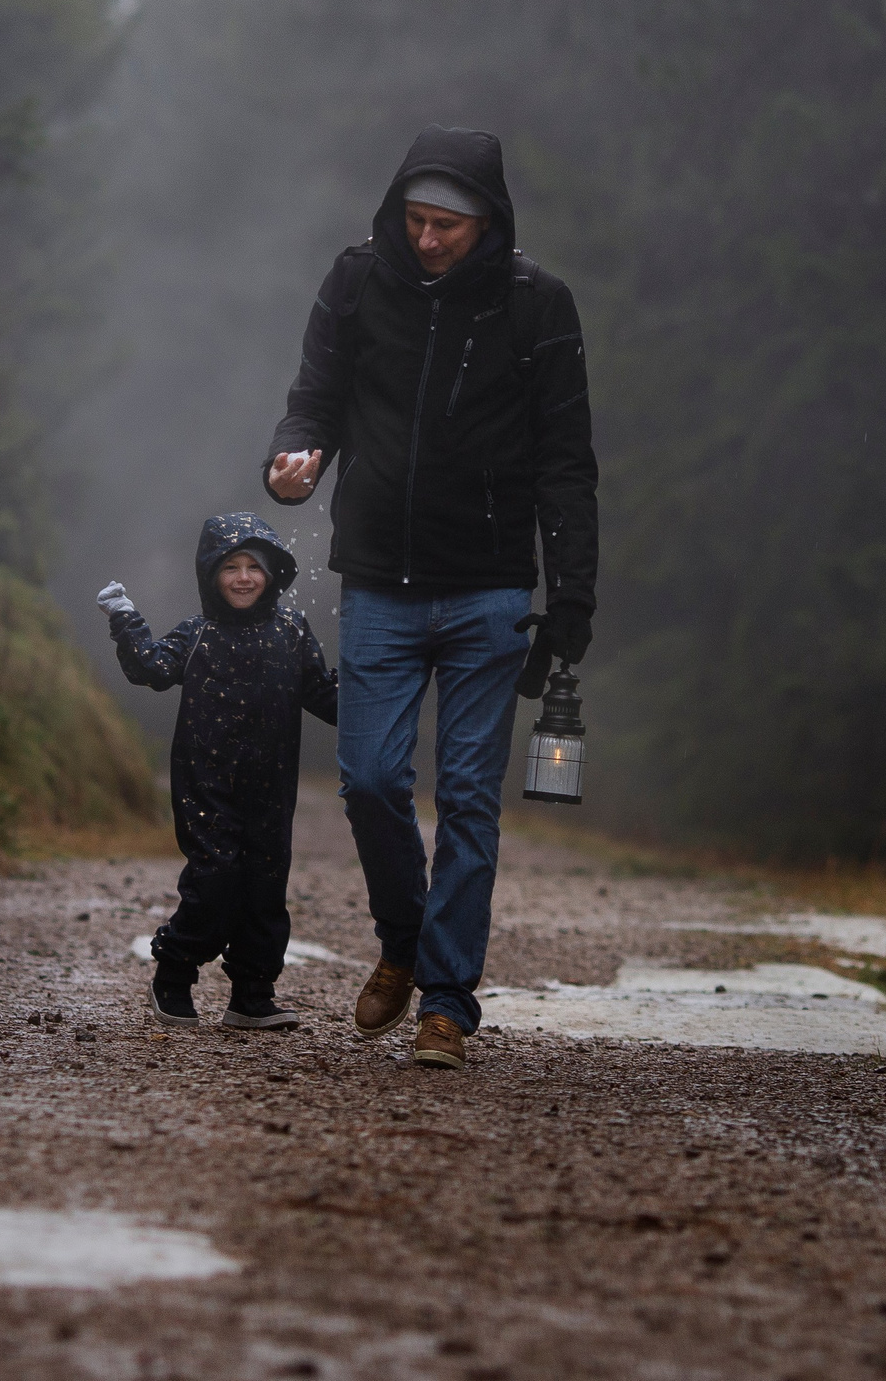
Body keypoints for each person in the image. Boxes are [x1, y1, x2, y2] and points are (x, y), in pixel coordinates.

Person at [263, 126, 598, 1071]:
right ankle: (405, 938)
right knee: (368, 779)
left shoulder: (540, 307)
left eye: (446, 223)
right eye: (414, 219)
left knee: (466, 799)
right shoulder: (357, 281)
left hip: (491, 590)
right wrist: (294, 460)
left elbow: (569, 466)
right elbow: (314, 399)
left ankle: (447, 1002)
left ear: (486, 220)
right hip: (377, 579)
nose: (427, 240)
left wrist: (573, 596)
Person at [99, 512, 337, 1030]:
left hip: (272, 789)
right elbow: (150, 669)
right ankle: (174, 973)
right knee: (216, 881)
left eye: (255, 566)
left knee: (266, 889)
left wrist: (385, 676)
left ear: (274, 574)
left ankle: (252, 994)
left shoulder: (293, 633)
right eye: (231, 566)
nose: (244, 577)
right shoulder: (197, 635)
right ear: (211, 574)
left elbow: (328, 698)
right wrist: (124, 616)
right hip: (205, 786)